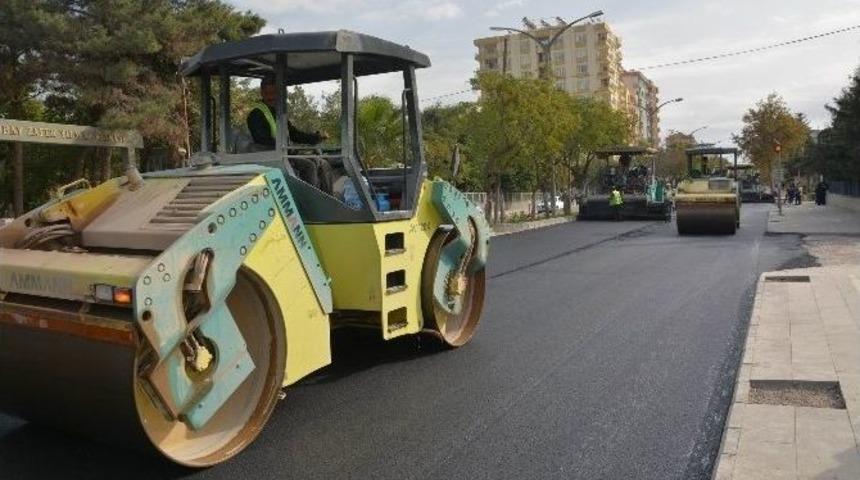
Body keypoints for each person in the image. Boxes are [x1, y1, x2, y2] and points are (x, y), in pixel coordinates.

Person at [247, 75, 333, 192]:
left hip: (282, 154)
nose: (271, 97)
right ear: (262, 93)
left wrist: (315, 138)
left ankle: (328, 199)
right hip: (269, 158)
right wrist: (288, 149)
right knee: (309, 166)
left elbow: (294, 134)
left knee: (321, 162)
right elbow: (262, 140)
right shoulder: (256, 114)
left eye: (273, 93)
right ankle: (310, 204)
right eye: (267, 93)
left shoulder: (278, 113)